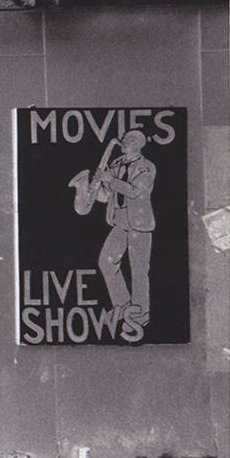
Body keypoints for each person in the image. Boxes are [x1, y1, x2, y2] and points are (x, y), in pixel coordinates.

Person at [93, 129, 156, 327]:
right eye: (125, 138)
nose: (124, 141)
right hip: (119, 219)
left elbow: (134, 191)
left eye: (130, 139)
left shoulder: (147, 167)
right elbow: (106, 196)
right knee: (106, 261)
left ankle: (141, 313)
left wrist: (109, 180)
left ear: (139, 144)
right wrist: (93, 188)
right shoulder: (115, 164)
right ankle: (122, 303)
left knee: (138, 268)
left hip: (139, 222)